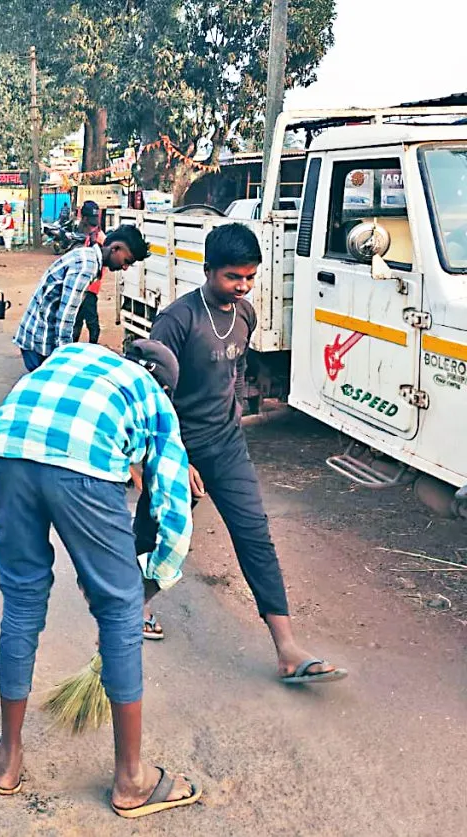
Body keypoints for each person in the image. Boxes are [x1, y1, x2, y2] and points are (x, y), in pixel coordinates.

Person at [0, 339, 201, 819]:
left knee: (21, 599)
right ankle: (132, 781)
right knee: (121, 613)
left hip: (8, 448)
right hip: (81, 464)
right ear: (166, 385)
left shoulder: (77, 355)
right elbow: (174, 511)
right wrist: (151, 579)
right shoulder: (155, 398)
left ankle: (8, 760)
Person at [136, 223, 348, 685]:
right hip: (179, 446)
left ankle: (287, 649)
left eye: (250, 276)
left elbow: (235, 369)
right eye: (233, 277)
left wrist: (243, 400)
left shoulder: (246, 314)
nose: (243, 286)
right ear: (208, 269)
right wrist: (177, 459)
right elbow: (152, 398)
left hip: (228, 445)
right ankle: (135, 608)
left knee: (255, 535)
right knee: (159, 528)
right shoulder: (176, 321)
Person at [14, 225, 148, 372]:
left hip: (37, 336)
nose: (125, 267)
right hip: (40, 342)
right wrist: (64, 359)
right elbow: (66, 315)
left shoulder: (87, 255)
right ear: (115, 248)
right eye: (126, 261)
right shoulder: (87, 266)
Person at [72, 200, 105, 344]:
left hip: (89, 286)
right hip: (91, 286)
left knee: (87, 320)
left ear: (83, 218)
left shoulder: (95, 238)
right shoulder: (98, 235)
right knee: (80, 319)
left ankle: (91, 346)